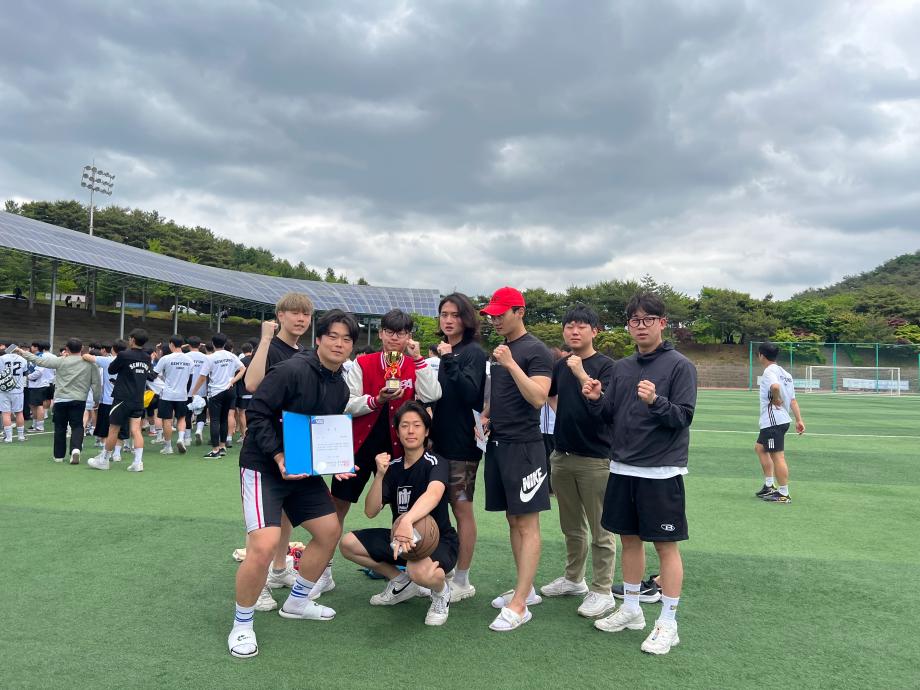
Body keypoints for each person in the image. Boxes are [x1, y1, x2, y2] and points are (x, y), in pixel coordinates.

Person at [229, 309, 357, 659]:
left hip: (303, 470)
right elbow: (257, 413)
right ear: (319, 339)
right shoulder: (291, 370)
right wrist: (277, 456)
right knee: (264, 544)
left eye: (346, 339)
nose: (339, 344)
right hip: (263, 465)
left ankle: (298, 602)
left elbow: (323, 431)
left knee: (329, 531)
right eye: (333, 336)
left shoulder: (340, 386)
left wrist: (336, 464)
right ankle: (242, 623)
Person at [581, 293, 697, 655]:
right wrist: (596, 398)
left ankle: (669, 622)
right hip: (622, 466)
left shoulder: (680, 366)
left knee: (665, 546)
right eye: (634, 320)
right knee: (629, 540)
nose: (641, 326)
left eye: (648, 319)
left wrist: (656, 401)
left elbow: (683, 416)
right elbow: (609, 415)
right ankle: (631, 609)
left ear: (663, 323)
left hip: (660, 471)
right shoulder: (622, 367)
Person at [242, 293, 329, 604]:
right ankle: (258, 584)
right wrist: (265, 340)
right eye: (294, 312)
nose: (300, 319)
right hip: (265, 446)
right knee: (261, 522)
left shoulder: (306, 353)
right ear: (280, 315)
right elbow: (252, 385)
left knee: (285, 513)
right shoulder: (270, 347)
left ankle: (279, 568)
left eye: (305, 314)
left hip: (294, 445)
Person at [339, 401, 458, 626]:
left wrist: (408, 520)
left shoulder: (436, 462)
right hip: (401, 540)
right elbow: (371, 511)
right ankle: (401, 582)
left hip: (437, 541)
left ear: (426, 431)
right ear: (397, 431)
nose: (410, 431)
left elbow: (433, 494)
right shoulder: (393, 467)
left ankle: (442, 592)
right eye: (404, 425)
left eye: (417, 425)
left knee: (418, 570)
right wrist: (379, 475)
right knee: (348, 544)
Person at [479, 286, 553, 632]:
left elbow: (538, 397)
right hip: (498, 444)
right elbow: (503, 393)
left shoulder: (535, 350)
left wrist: (509, 363)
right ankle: (527, 589)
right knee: (513, 519)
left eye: (500, 314)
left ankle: (520, 604)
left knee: (527, 523)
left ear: (519, 312)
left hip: (525, 447)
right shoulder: (500, 349)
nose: (494, 320)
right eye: (491, 315)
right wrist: (488, 413)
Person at [540, 306, 617, 619]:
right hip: (562, 456)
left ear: (594, 331)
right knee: (571, 526)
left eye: (582, 326)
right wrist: (563, 416)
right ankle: (574, 579)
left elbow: (608, 407)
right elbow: (550, 395)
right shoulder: (561, 365)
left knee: (601, 530)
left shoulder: (607, 366)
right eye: (569, 325)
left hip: (595, 459)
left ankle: (602, 590)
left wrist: (581, 373)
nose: (574, 331)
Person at [333, 309, 441, 521]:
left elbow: (432, 394)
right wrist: (376, 400)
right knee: (339, 501)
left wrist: (418, 358)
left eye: (401, 333)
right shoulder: (363, 363)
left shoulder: (415, 364)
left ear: (409, 336)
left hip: (398, 447)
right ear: (381, 333)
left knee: (402, 506)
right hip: (359, 444)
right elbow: (346, 404)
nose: (394, 337)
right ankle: (328, 544)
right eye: (389, 332)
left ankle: (401, 542)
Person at [428, 292, 487, 603]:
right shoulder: (443, 351)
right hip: (437, 444)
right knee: (436, 507)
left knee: (461, 507)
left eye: (455, 315)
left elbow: (470, 394)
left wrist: (449, 359)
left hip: (463, 447)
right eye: (444, 314)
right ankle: (443, 568)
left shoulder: (473, 352)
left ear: (466, 318)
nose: (448, 320)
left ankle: (463, 578)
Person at [17, 339, 102, 465]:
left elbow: (39, 361)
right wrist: (96, 399)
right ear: (82, 348)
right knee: (77, 426)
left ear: (66, 349)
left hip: (61, 399)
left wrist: (22, 352)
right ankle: (76, 449)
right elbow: (96, 383)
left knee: (60, 427)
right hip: (79, 399)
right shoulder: (90, 364)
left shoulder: (61, 360)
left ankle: (58, 455)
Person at [86, 328, 154, 473]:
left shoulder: (124, 355)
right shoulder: (147, 357)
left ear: (133, 340)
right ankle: (138, 462)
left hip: (122, 398)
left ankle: (104, 460)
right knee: (136, 430)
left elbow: (111, 370)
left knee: (113, 429)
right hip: (138, 399)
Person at [754, 342, 805, 503]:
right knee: (760, 448)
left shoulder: (769, 371)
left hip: (773, 421)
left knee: (777, 455)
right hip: (781, 419)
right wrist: (799, 420)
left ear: (761, 355)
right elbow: (793, 400)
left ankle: (784, 493)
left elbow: (775, 387)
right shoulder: (786, 374)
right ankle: (769, 485)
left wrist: (775, 399)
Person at [191, 333, 245, 458]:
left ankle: (215, 450)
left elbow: (203, 377)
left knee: (215, 420)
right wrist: (233, 380)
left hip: (216, 391)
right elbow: (243, 369)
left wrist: (194, 391)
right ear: (225, 343)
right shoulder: (231, 355)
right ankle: (222, 446)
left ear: (213, 343)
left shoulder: (210, 358)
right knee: (224, 419)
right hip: (230, 390)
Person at [154, 335, 193, 455]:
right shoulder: (189, 360)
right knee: (181, 418)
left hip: (167, 394)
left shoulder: (165, 359)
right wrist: (186, 392)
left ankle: (168, 446)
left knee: (167, 420)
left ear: (171, 344)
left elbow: (154, 374)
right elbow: (190, 379)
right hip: (182, 394)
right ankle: (181, 438)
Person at [0, 341, 28, 443]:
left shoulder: (2, 358)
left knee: (6, 413)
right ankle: (21, 436)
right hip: (18, 389)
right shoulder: (22, 359)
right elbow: (25, 373)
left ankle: (8, 438)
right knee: (19, 412)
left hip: (4, 389)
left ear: (7, 348)